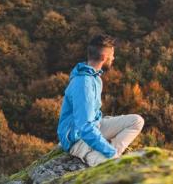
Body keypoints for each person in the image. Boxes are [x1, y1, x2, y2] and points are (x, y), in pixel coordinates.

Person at [56, 34, 144, 166]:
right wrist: (109, 152)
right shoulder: (83, 84)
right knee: (110, 166)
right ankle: (108, 155)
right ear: (103, 57)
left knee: (136, 121)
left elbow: (91, 115)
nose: (113, 58)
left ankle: (111, 152)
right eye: (112, 55)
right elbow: (85, 127)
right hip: (78, 140)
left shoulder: (95, 78)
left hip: (95, 127)